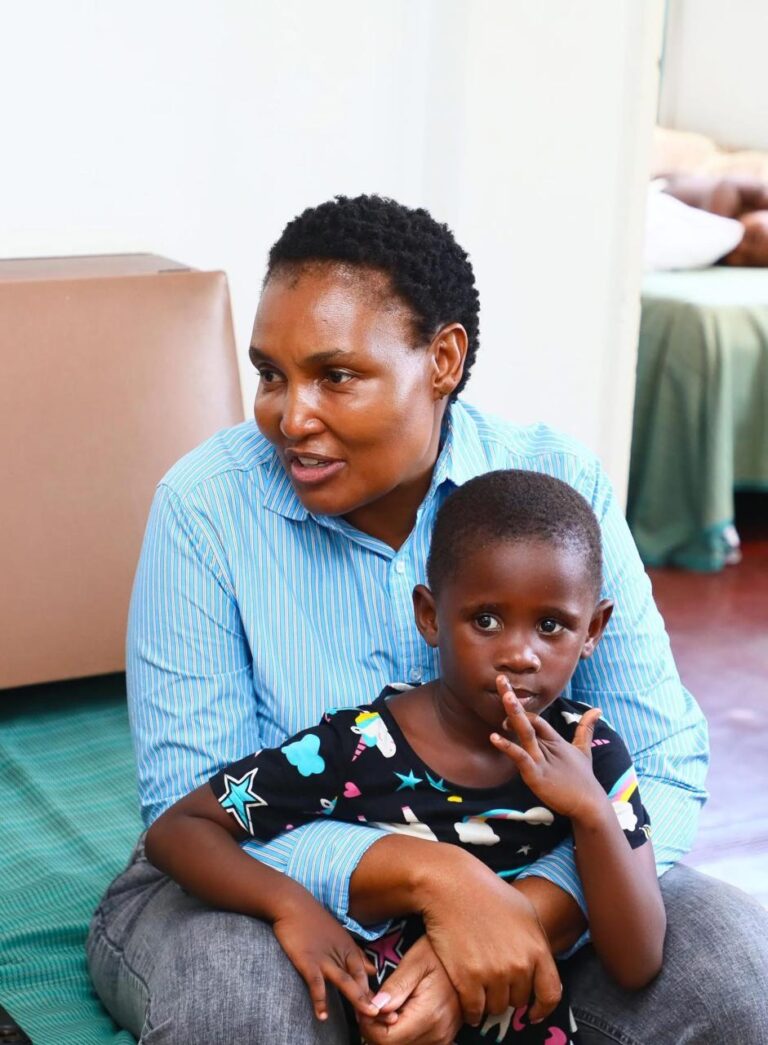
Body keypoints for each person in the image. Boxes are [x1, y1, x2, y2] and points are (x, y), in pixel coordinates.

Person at [87, 194, 768, 1044]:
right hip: (256, 880)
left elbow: (660, 762)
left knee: (736, 968)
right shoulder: (205, 505)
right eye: (270, 375)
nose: (290, 417)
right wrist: (432, 879)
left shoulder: (558, 484)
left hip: (528, 859)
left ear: (443, 358)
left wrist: (510, 920)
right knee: (238, 1009)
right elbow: (189, 803)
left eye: (335, 375)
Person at [144, 469, 666, 1045]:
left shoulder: (592, 758)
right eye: (486, 620)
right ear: (429, 616)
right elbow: (180, 830)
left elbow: (637, 960)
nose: (520, 655)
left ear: (592, 630)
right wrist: (289, 907)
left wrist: (592, 813)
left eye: (551, 626)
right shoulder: (358, 746)